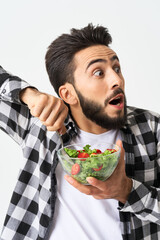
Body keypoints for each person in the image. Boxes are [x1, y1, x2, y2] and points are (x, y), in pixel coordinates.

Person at [0, 24, 160, 240]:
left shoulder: (151, 127)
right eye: (98, 72)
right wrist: (27, 94)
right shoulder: (41, 125)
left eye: (117, 68)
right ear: (68, 94)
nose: (117, 80)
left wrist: (126, 190)